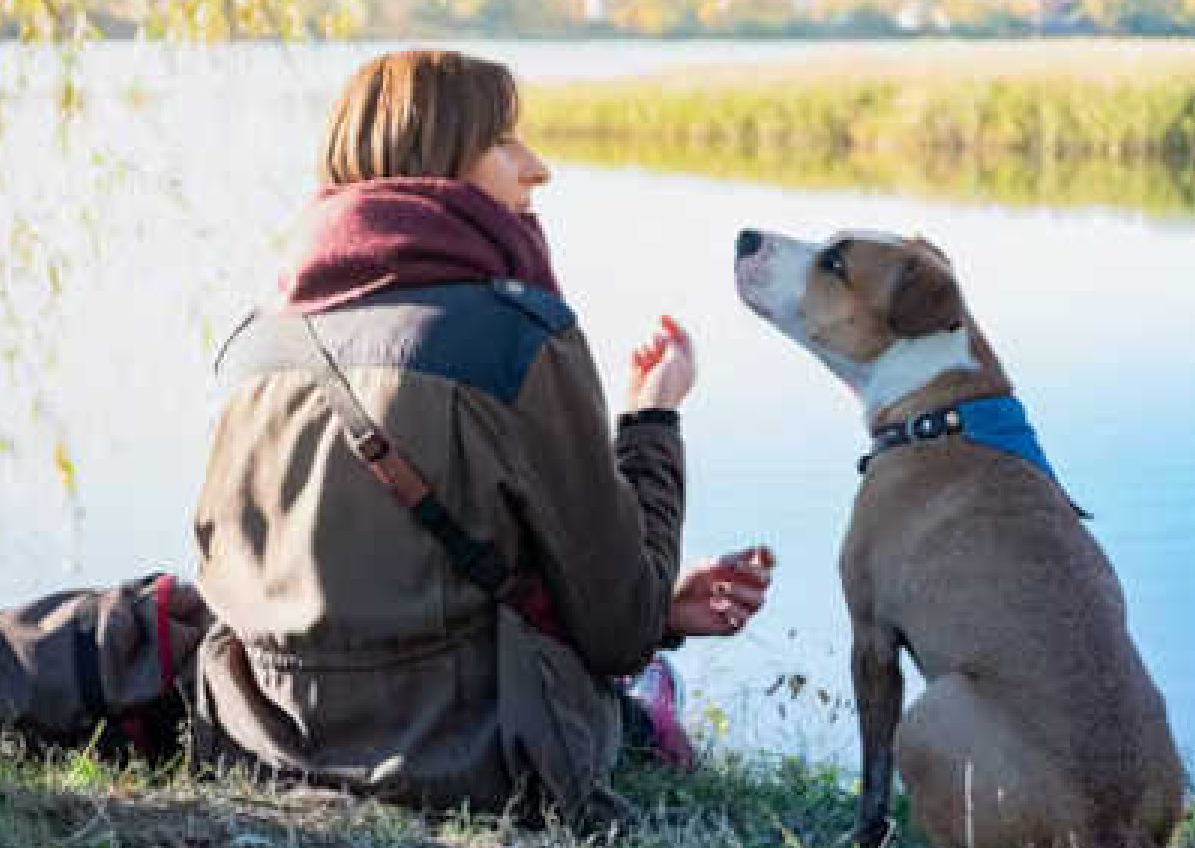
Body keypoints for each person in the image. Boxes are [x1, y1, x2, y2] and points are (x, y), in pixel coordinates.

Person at [187, 49, 774, 821]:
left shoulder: (256, 341)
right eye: (504, 142)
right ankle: (647, 717)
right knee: (625, 677)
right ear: (434, 162)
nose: (538, 170)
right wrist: (653, 420)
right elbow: (621, 624)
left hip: (260, 741)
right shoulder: (515, 337)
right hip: (471, 760)